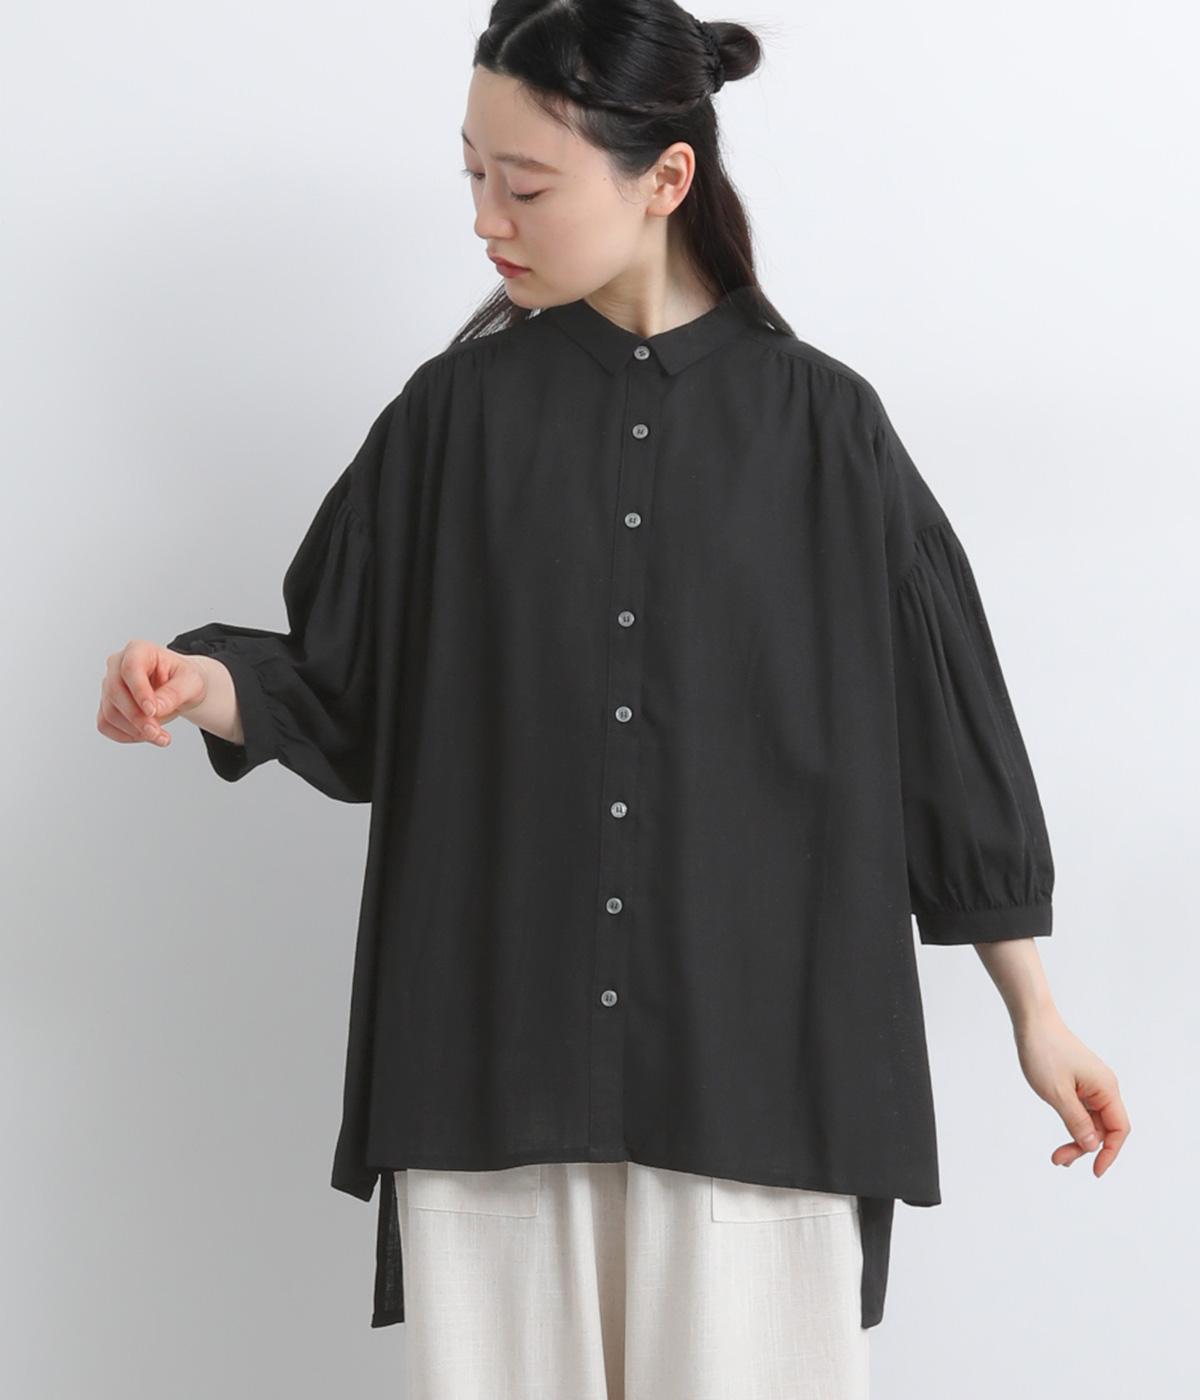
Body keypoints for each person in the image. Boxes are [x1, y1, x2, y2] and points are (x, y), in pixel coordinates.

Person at [99, 3, 1131, 1397]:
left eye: (524, 185)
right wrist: (206, 685)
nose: (486, 218)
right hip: (492, 1061)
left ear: (666, 178)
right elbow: (346, 687)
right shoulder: (450, 421)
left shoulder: (827, 429)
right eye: (473, 174)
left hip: (765, 1072)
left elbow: (948, 738)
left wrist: (1036, 1013)